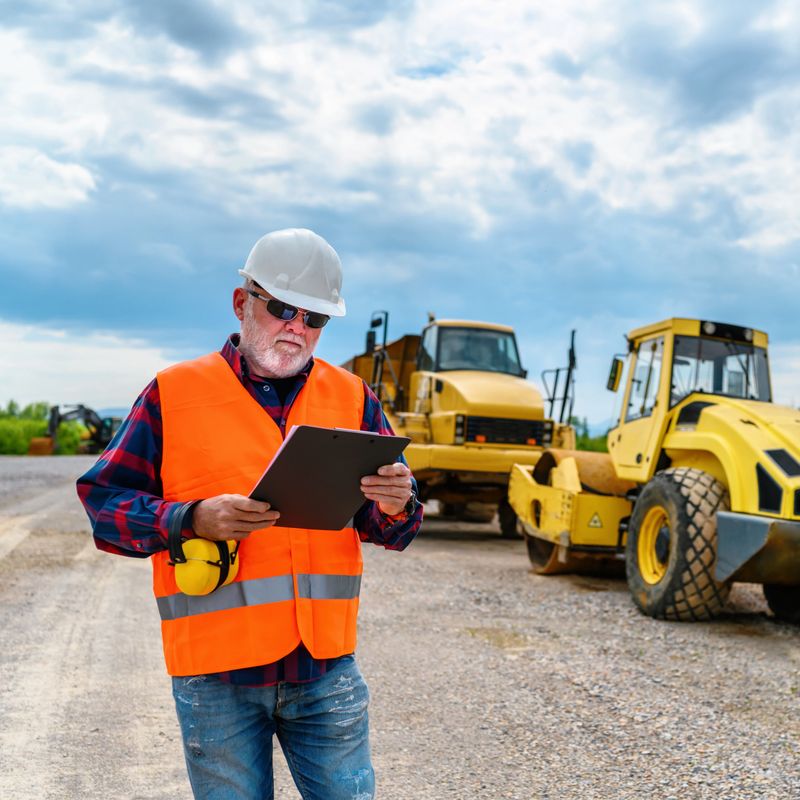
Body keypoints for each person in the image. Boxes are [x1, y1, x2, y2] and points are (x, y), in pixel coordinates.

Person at [77, 228, 423, 800]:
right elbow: (103, 505)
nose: (297, 328)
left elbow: (390, 524)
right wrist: (188, 518)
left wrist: (397, 501)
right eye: (283, 308)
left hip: (326, 670)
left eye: (314, 319)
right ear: (243, 303)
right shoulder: (174, 393)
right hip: (216, 678)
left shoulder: (353, 397)